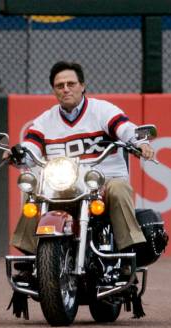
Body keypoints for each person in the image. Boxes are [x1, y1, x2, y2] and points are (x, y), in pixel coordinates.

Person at [9, 60, 155, 258]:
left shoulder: (103, 110)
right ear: (54, 90)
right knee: (34, 190)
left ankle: (127, 255)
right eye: (60, 86)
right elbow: (30, 147)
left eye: (71, 84)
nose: (66, 89)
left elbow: (125, 128)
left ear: (82, 86)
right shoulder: (45, 120)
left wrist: (140, 143)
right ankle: (32, 258)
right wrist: (17, 154)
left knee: (119, 189)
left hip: (104, 180)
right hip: (64, 184)